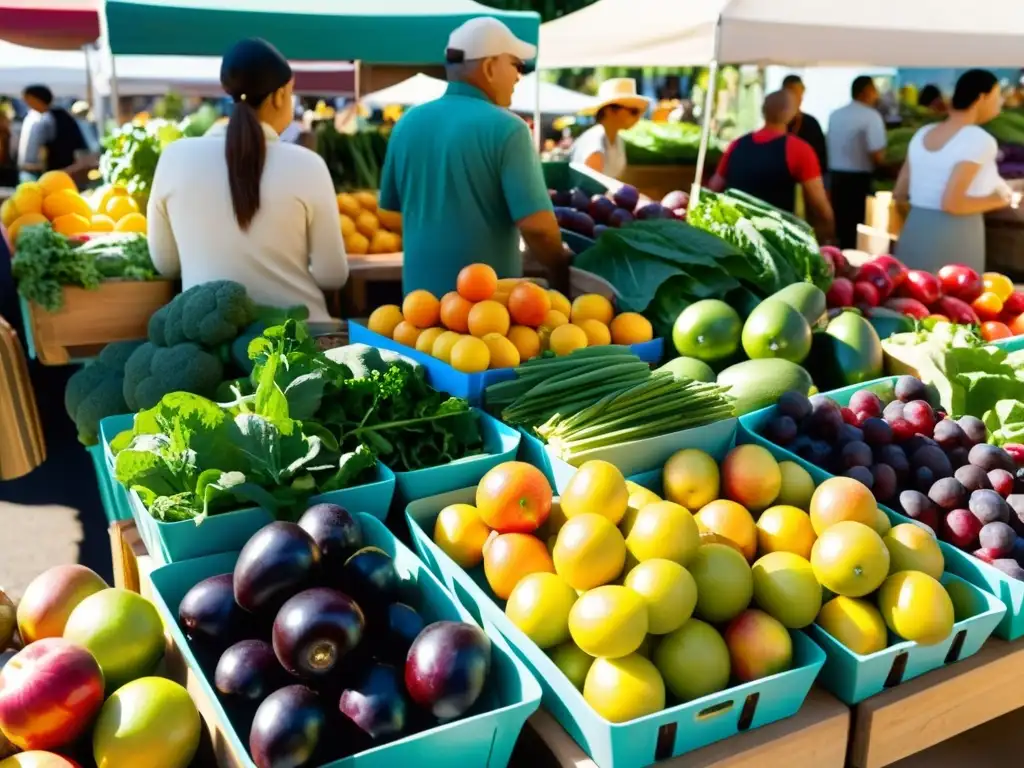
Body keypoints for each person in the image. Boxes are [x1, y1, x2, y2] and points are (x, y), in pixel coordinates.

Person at [147, 38, 348, 323]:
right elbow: (333, 275)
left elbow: (166, 265)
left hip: (214, 342)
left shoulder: (174, 157)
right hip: (298, 340)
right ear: (279, 96)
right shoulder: (307, 164)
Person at [378, 17, 567, 297]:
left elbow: (389, 214)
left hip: (418, 312)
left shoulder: (407, 123)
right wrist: (560, 270)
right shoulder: (509, 128)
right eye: (516, 64)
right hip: (485, 316)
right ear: (490, 67)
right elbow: (538, 227)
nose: (519, 76)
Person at [894, 69, 1021, 274]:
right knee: (955, 301)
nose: (1000, 104)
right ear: (982, 97)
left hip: (913, 231)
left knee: (910, 301)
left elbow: (899, 194)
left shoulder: (922, 134)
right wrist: (1001, 199)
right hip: (955, 236)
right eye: (997, 96)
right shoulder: (978, 139)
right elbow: (953, 203)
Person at [709, 90, 835, 242]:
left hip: (734, 236)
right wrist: (830, 234)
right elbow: (819, 204)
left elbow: (713, 187)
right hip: (775, 244)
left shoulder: (737, 144)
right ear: (793, 116)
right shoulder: (798, 149)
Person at [827, 76, 888, 249]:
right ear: (866, 91)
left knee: (841, 228)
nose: (876, 95)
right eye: (874, 90)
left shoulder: (835, 115)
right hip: (859, 181)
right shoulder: (871, 116)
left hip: (836, 178)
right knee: (859, 233)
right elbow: (877, 154)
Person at [571, 78, 649, 179]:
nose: (638, 117)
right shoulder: (595, 143)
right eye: (633, 111)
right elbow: (592, 187)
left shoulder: (617, 139)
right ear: (610, 110)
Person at [17, 85, 88, 183]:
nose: (25, 101)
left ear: (37, 98)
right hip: (38, 170)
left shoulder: (51, 118)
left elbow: (49, 147)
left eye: (27, 98)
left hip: (52, 171)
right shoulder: (34, 116)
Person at [782, 74, 827, 174]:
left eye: (799, 94)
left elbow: (821, 158)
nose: (797, 98)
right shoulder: (775, 122)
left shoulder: (811, 123)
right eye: (792, 93)